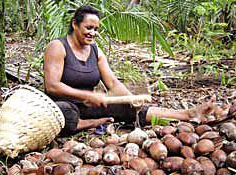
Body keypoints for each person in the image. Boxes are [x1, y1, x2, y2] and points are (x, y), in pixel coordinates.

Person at [44, 5, 215, 135]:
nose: (93, 33)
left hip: (89, 106)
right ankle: (90, 123)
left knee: (131, 109)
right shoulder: (58, 47)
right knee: (64, 112)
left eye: (96, 29)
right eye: (88, 28)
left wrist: (130, 99)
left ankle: (187, 114)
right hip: (64, 106)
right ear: (75, 24)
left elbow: (112, 82)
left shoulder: (95, 50)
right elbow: (52, 86)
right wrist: (87, 95)